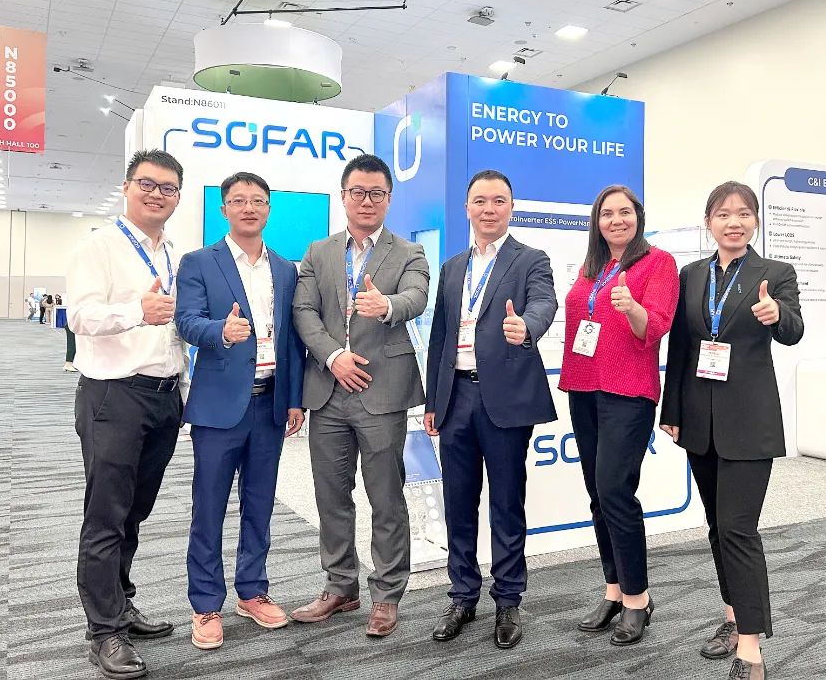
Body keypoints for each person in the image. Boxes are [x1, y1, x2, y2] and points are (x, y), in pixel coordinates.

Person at [661, 181, 804, 680]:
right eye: (723, 214)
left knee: (739, 530)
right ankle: (733, 615)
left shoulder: (775, 273)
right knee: (718, 528)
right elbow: (681, 346)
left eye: (744, 213)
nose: (734, 222)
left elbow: (794, 331)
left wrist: (776, 314)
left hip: (749, 420)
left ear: (755, 221)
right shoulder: (692, 275)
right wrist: (671, 409)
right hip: (700, 420)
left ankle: (750, 649)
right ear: (709, 223)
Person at [291, 153, 429, 638]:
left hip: (381, 391)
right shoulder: (318, 251)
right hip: (329, 390)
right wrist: (333, 356)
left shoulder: (409, 252)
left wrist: (385, 303)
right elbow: (304, 311)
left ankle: (387, 594)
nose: (367, 201)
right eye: (358, 192)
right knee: (331, 495)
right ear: (344, 196)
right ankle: (340, 586)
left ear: (388, 198)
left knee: (386, 497)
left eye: (376, 193)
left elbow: (417, 297)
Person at [424, 169, 557, 650]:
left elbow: (544, 303)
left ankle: (508, 600)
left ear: (511, 207)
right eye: (480, 200)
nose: (488, 209)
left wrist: (528, 326)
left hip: (503, 400)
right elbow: (440, 335)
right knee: (458, 504)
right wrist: (433, 400)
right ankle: (462, 595)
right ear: (467, 208)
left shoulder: (531, 259)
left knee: (506, 503)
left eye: (498, 200)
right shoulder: (453, 266)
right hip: (456, 397)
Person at [66, 149, 187, 680]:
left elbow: (174, 330)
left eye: (168, 187)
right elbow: (78, 315)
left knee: (135, 511)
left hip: (163, 397)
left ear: (178, 197)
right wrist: (136, 311)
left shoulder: (173, 253)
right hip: (113, 395)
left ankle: (120, 603)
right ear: (127, 187)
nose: (157, 194)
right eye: (147, 184)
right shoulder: (100, 246)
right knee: (106, 515)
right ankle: (103, 632)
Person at [175, 172, 306, 651]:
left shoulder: (286, 269)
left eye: (258, 200)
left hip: (270, 403)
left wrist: (294, 398)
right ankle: (206, 604)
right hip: (218, 408)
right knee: (208, 508)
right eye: (238, 200)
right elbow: (186, 321)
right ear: (224, 209)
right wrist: (219, 332)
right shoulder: (198, 262)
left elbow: (292, 339)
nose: (249, 208)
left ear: (268, 209)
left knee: (260, 504)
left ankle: (252, 591)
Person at [557, 185, 679, 645]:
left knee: (615, 491)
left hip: (628, 391)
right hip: (584, 387)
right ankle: (613, 590)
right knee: (597, 494)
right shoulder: (592, 267)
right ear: (597, 221)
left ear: (638, 217)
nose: (616, 220)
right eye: (607, 214)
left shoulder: (658, 262)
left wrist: (632, 309)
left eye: (624, 212)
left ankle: (638, 599)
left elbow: (657, 326)